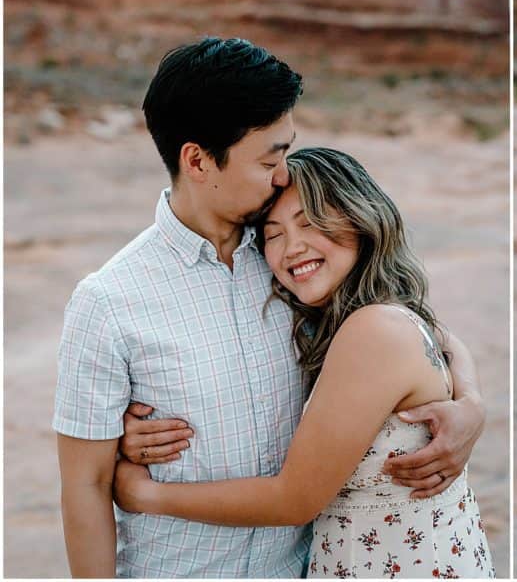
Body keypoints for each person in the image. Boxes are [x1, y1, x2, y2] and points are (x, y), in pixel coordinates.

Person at [54, 38, 486, 577]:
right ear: (198, 160)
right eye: (269, 159)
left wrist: (470, 404)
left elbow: (416, 329)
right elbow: (86, 487)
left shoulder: (293, 264)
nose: (284, 174)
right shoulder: (108, 302)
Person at [113, 147, 495, 579]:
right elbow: (446, 341)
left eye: (310, 223)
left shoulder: (374, 329)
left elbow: (295, 499)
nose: (292, 249)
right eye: (273, 234)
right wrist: (472, 401)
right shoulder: (369, 316)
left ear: (360, 217)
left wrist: (143, 493)